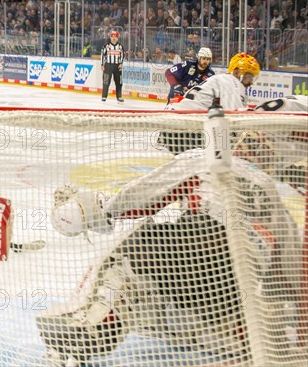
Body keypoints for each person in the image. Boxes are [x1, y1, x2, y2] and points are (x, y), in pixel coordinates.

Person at [39, 144, 302, 365]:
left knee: (136, 249)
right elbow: (291, 277)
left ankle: (89, 330)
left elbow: (146, 195)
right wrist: (284, 338)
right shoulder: (274, 197)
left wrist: (102, 211)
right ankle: (237, 339)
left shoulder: (206, 157)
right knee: (180, 305)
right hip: (230, 297)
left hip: (199, 250)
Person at [100, 30, 125, 103]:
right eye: (112, 36)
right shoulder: (106, 46)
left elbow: (123, 56)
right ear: (110, 37)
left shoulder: (120, 46)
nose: (114, 38)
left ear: (118, 38)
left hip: (117, 66)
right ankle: (104, 96)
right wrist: (102, 64)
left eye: (115, 37)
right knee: (106, 81)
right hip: (108, 65)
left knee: (119, 82)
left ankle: (119, 97)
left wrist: (121, 64)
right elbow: (102, 55)